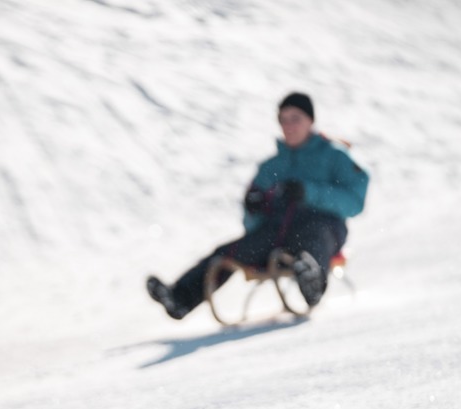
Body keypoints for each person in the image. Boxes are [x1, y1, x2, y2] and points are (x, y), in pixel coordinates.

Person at [147, 92, 370, 319]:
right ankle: (180, 298)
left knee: (312, 242)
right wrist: (254, 208)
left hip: (322, 225)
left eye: (295, 118)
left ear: (310, 120)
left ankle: (312, 283)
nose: (289, 126)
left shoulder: (334, 156)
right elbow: (250, 222)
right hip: (276, 231)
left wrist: (309, 192)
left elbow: (354, 202)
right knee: (226, 254)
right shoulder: (270, 166)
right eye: (284, 119)